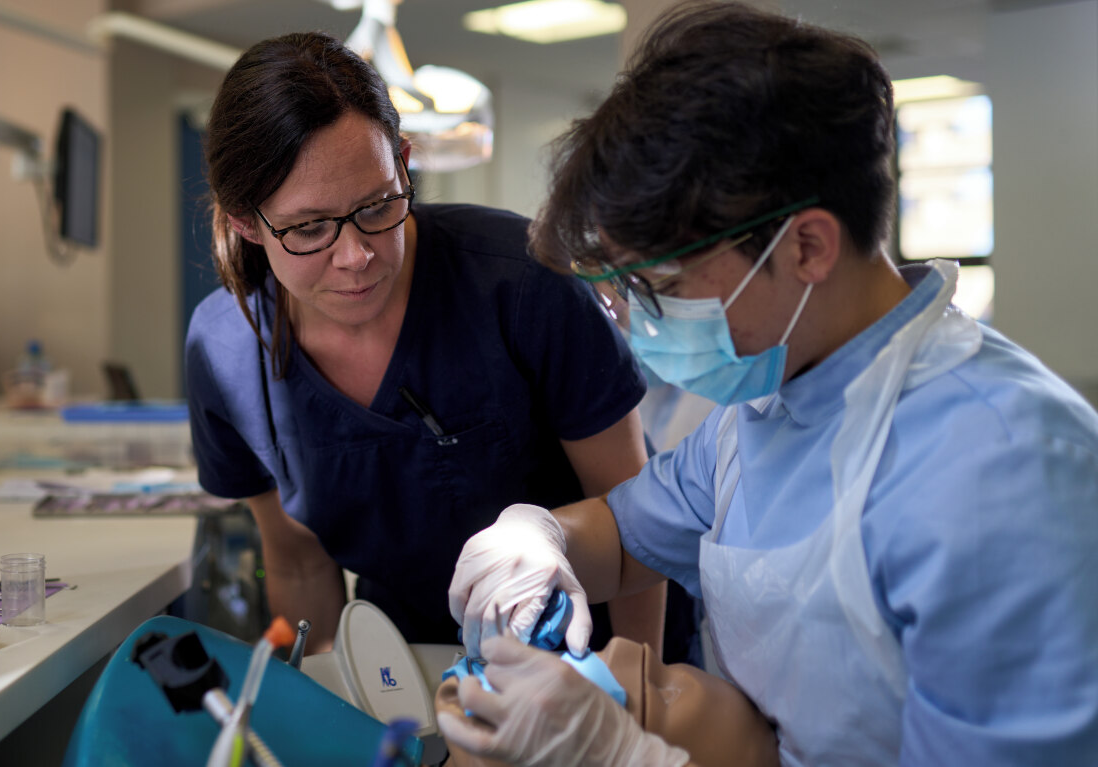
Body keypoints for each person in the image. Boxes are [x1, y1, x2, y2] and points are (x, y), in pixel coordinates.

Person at [443, 4, 1098, 766]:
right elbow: (625, 536)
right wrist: (538, 540)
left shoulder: (1004, 467)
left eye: (661, 284)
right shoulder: (767, 402)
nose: (636, 323)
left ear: (808, 246)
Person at [185, 31, 664, 654]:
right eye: (308, 228)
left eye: (379, 205)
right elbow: (300, 564)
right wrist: (331, 711)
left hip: (596, 644)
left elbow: (636, 520)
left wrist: (637, 689)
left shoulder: (521, 283)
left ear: (404, 163)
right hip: (406, 663)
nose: (356, 256)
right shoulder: (226, 351)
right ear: (247, 222)